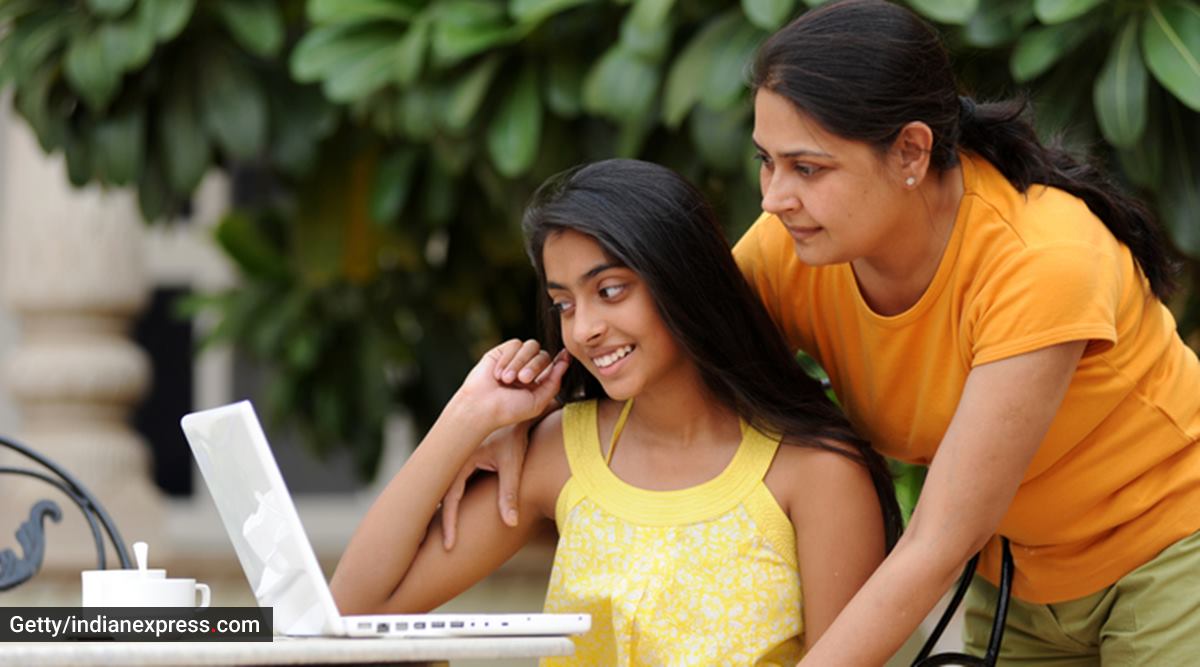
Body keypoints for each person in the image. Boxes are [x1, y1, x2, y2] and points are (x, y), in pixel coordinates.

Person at [441, 1, 1200, 664]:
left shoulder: (1041, 262)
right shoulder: (797, 249)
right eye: (767, 163)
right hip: (1026, 586)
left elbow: (936, 543)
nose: (774, 199)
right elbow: (670, 345)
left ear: (910, 151)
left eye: (808, 168)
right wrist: (522, 414)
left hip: (1173, 550)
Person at [330, 158, 902, 664]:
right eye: (563, 304)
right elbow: (354, 611)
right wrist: (468, 415)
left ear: (682, 281)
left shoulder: (817, 472)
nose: (584, 329)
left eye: (609, 291)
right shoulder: (564, 451)